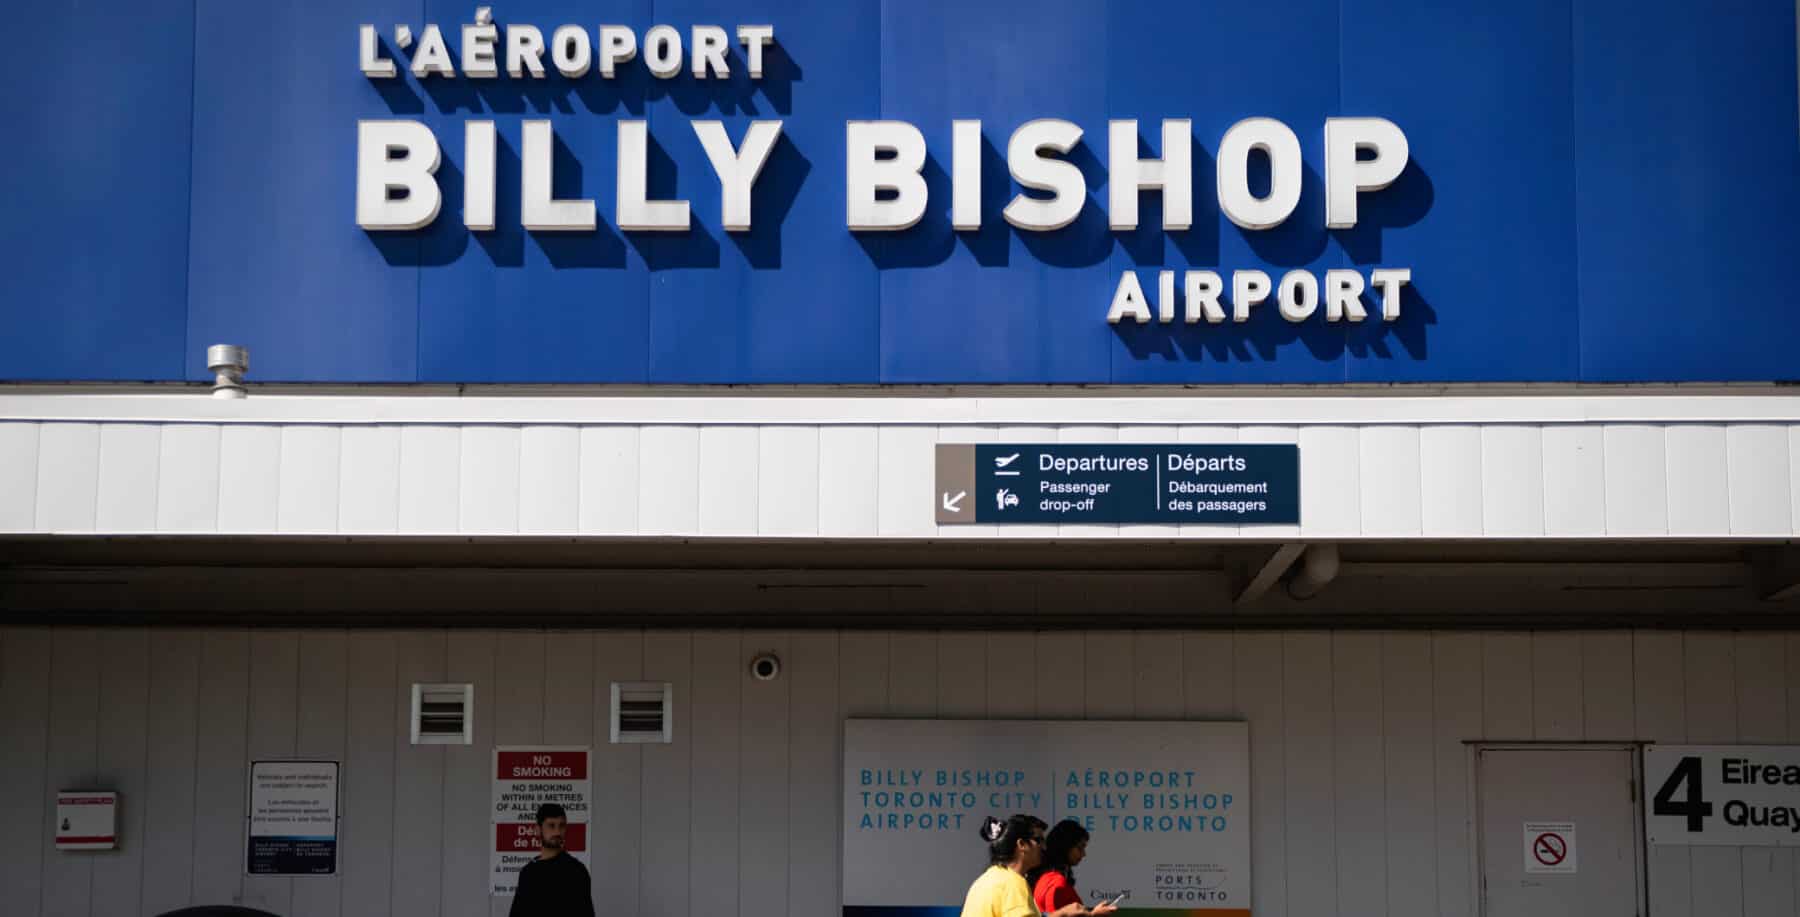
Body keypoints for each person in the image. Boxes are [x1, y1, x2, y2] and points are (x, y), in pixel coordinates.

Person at [961, 815, 1111, 917]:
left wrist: (1064, 913)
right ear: (1021, 845)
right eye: (1038, 840)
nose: (1044, 847)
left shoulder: (984, 880)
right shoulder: (1013, 884)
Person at [509, 803, 595, 917]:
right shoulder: (528, 872)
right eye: (551, 825)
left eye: (562, 826)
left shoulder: (576, 871)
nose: (557, 832)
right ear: (538, 829)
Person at [1028, 820, 1108, 916]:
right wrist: (1092, 915)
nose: (1083, 854)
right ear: (1065, 846)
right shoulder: (1056, 881)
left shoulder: (1049, 877)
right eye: (1080, 848)